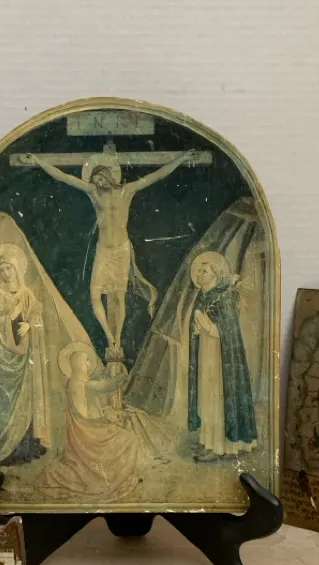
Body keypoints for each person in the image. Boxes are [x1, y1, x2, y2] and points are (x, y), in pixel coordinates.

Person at [30, 148, 200, 358]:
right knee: (94, 295)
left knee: (119, 297)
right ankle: (109, 335)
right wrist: (39, 161)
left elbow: (157, 175)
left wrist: (182, 158)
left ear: (109, 175)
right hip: (104, 250)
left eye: (101, 178)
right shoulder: (93, 192)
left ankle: (117, 339)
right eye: (96, 180)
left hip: (121, 251)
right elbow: (64, 177)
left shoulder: (127, 191)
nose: (100, 183)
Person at [37, 342, 156, 501]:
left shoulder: (71, 382)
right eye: (86, 361)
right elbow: (108, 386)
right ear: (79, 365)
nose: (88, 364)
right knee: (130, 439)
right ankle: (115, 479)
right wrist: (122, 374)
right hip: (90, 432)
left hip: (80, 431)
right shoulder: (86, 384)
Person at [0, 244, 49, 465]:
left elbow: (37, 315)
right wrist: (11, 316)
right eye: (2, 269)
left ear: (17, 269)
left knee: (27, 399)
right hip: (3, 361)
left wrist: (29, 325)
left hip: (25, 361)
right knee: (5, 404)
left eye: (9, 268)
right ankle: (4, 448)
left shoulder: (27, 294)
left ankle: (26, 447)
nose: (6, 273)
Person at [187, 252, 257, 459]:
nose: (199, 274)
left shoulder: (223, 298)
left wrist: (204, 323)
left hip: (220, 360)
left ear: (215, 275)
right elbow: (199, 327)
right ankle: (207, 442)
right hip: (206, 356)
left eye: (204, 271)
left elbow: (225, 331)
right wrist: (197, 327)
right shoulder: (203, 297)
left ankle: (220, 447)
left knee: (216, 399)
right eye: (198, 271)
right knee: (206, 398)